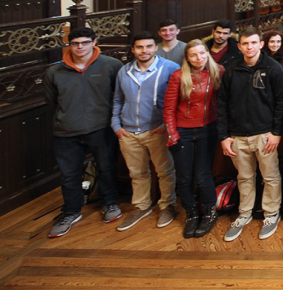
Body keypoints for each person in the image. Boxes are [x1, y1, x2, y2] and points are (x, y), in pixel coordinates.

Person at [43, 27, 123, 238]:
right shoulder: (54, 72)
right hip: (66, 130)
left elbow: (118, 95)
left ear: (94, 42)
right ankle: (71, 211)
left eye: (85, 42)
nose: (80, 47)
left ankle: (109, 203)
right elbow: (52, 101)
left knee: (106, 167)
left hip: (100, 128)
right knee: (69, 174)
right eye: (75, 43)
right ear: (69, 45)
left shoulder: (111, 65)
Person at [218, 27, 283, 242]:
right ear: (239, 47)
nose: (249, 47)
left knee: (270, 176)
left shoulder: (273, 67)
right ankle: (244, 213)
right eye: (245, 44)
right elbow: (222, 104)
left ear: (261, 44)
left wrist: (276, 133)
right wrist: (224, 136)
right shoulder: (232, 70)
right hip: (237, 135)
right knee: (244, 177)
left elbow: (281, 102)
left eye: (253, 43)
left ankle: (271, 213)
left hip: (264, 134)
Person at [111, 32, 180, 231]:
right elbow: (118, 99)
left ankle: (167, 205)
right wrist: (116, 126)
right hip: (128, 132)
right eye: (140, 47)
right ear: (133, 50)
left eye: (149, 46)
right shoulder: (124, 71)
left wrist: (166, 126)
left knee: (165, 171)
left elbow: (179, 100)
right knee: (137, 173)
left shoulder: (170, 68)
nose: (144, 51)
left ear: (155, 47)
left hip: (156, 130)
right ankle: (141, 206)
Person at [163, 39, 223, 239]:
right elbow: (168, 109)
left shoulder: (218, 71)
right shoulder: (179, 76)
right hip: (183, 130)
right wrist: (173, 136)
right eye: (193, 55)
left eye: (202, 53)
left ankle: (210, 212)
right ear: (187, 58)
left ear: (207, 53)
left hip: (208, 128)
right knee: (184, 176)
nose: (199, 58)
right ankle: (191, 214)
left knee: (203, 174)